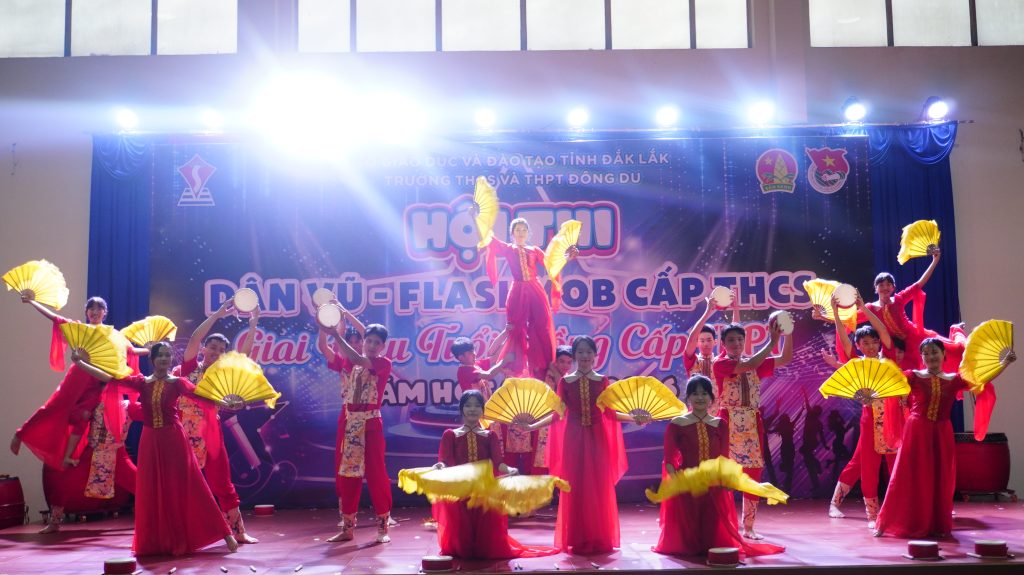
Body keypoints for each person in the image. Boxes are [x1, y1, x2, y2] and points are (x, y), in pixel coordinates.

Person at [73, 342, 238, 556]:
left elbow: (202, 396)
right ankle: (158, 541)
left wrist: (226, 403)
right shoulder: (142, 382)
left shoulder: (178, 382)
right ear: (152, 359)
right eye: (160, 355)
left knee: (191, 484)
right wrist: (81, 362)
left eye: (168, 355)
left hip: (174, 438)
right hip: (150, 440)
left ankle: (224, 533)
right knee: (152, 489)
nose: (164, 359)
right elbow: (110, 378)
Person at [10, 295, 138, 533]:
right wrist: (32, 302)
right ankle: (21, 434)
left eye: (99, 308)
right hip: (78, 380)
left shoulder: (115, 335)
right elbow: (55, 318)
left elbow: (133, 351)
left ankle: (157, 504)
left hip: (100, 393)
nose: (95, 312)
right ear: (87, 312)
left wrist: (153, 348)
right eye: (91, 308)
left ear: (105, 312)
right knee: (55, 411)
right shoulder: (80, 329)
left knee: (112, 457)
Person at [874, 339, 1016, 538]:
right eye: (926, 353)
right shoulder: (913, 376)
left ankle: (936, 524)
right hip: (917, 431)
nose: (930, 357)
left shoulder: (955, 379)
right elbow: (887, 387)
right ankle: (885, 523)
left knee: (939, 478)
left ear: (944, 355)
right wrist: (869, 396)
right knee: (905, 475)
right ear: (922, 357)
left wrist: (1004, 363)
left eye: (935, 352)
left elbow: (981, 380)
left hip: (942, 432)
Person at [528, 336, 648, 554]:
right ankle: (577, 536)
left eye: (588, 352)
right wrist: (532, 426)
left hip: (597, 438)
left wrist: (634, 418)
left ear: (595, 355)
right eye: (580, 352)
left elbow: (610, 413)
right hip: (573, 439)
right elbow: (558, 414)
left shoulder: (602, 381)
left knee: (598, 485)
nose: (584, 356)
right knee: (575, 485)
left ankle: (599, 536)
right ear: (575, 355)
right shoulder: (566, 382)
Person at [653, 375, 784, 558]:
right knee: (688, 529)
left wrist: (726, 480)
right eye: (695, 393)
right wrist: (677, 482)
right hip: (687, 484)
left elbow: (724, 459)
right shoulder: (677, 423)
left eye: (704, 393)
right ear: (688, 397)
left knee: (712, 528)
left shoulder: (720, 424)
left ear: (711, 398)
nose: (700, 397)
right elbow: (669, 460)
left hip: (714, 484)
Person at [173, 296, 260, 544]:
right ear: (204, 349)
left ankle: (238, 531)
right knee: (184, 483)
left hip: (211, 431)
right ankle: (183, 531)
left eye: (221, 350)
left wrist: (254, 323)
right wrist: (217, 316)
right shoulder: (190, 368)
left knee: (222, 482)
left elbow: (244, 355)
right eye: (212, 347)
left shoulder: (223, 373)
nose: (216, 352)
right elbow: (194, 338)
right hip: (184, 432)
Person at [431, 390, 543, 559]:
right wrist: (439, 465)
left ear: (482, 410)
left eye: (477, 406)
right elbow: (445, 460)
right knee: (461, 537)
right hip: (461, 490)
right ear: (461, 409)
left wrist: (509, 469)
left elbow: (498, 463)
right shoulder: (450, 435)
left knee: (487, 538)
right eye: (468, 405)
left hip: (484, 490)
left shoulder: (490, 435)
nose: (472, 409)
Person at [712, 318, 792, 540]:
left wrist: (788, 332)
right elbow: (747, 366)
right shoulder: (721, 364)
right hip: (728, 423)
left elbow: (785, 358)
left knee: (754, 475)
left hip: (752, 424)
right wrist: (772, 341)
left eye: (740, 339)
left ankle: (748, 527)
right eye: (731, 340)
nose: (736, 343)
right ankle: (723, 522)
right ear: (723, 344)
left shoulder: (754, 362)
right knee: (725, 476)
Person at [825, 293, 899, 527]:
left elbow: (883, 330)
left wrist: (863, 309)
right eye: (864, 343)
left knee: (893, 465)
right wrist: (836, 313)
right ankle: (872, 514)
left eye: (873, 342)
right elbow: (843, 340)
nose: (870, 346)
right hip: (870, 419)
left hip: (893, 419)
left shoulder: (887, 358)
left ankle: (896, 508)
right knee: (868, 466)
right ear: (858, 346)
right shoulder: (857, 363)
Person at [481, 218, 574, 382]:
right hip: (517, 291)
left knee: (543, 325)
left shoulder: (534, 250)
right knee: (515, 328)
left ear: (528, 233)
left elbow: (551, 264)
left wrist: (566, 256)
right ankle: (514, 369)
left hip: (535, 289)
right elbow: (490, 239)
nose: (521, 233)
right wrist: (477, 218)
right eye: (517, 230)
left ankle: (546, 366)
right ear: (512, 233)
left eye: (524, 230)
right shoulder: (508, 249)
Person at [328, 323, 394, 544]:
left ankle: (383, 527)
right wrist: (332, 328)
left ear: (383, 346)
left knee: (376, 474)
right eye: (369, 341)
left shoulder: (383, 363)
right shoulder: (353, 366)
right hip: (351, 424)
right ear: (364, 342)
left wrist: (337, 335)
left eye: (377, 342)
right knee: (348, 474)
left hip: (371, 423)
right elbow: (350, 357)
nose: (372, 345)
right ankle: (347, 527)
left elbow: (356, 358)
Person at [318, 305, 366, 526]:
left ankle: (384, 512)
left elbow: (365, 331)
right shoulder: (341, 362)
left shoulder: (370, 361)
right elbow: (323, 346)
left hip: (369, 415)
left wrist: (346, 314)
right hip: (347, 415)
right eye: (351, 341)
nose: (355, 344)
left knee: (373, 464)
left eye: (358, 341)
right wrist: (324, 322)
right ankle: (345, 511)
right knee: (344, 462)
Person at [681, 293, 739, 413]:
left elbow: (734, 335)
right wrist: (708, 311)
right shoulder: (692, 361)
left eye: (709, 340)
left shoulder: (721, 361)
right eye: (702, 340)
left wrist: (736, 308)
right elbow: (691, 338)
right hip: (695, 415)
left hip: (717, 415)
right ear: (697, 343)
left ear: (715, 342)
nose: (705, 343)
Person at [533, 345, 573, 475]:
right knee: (543, 458)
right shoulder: (547, 375)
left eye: (569, 362)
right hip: (546, 421)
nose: (565, 365)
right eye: (562, 361)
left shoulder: (568, 377)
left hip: (562, 422)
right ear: (555, 362)